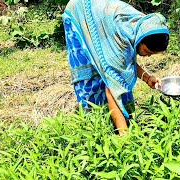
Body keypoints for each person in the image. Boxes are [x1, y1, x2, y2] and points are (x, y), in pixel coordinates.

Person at [62, 0, 169, 135]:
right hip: (79, 11)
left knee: (112, 73)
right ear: (140, 39)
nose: (147, 56)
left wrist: (147, 78)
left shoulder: (145, 26)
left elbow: (124, 62)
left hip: (104, 16)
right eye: (147, 52)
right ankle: (93, 124)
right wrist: (124, 134)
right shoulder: (121, 42)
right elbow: (112, 88)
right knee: (91, 74)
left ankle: (118, 117)